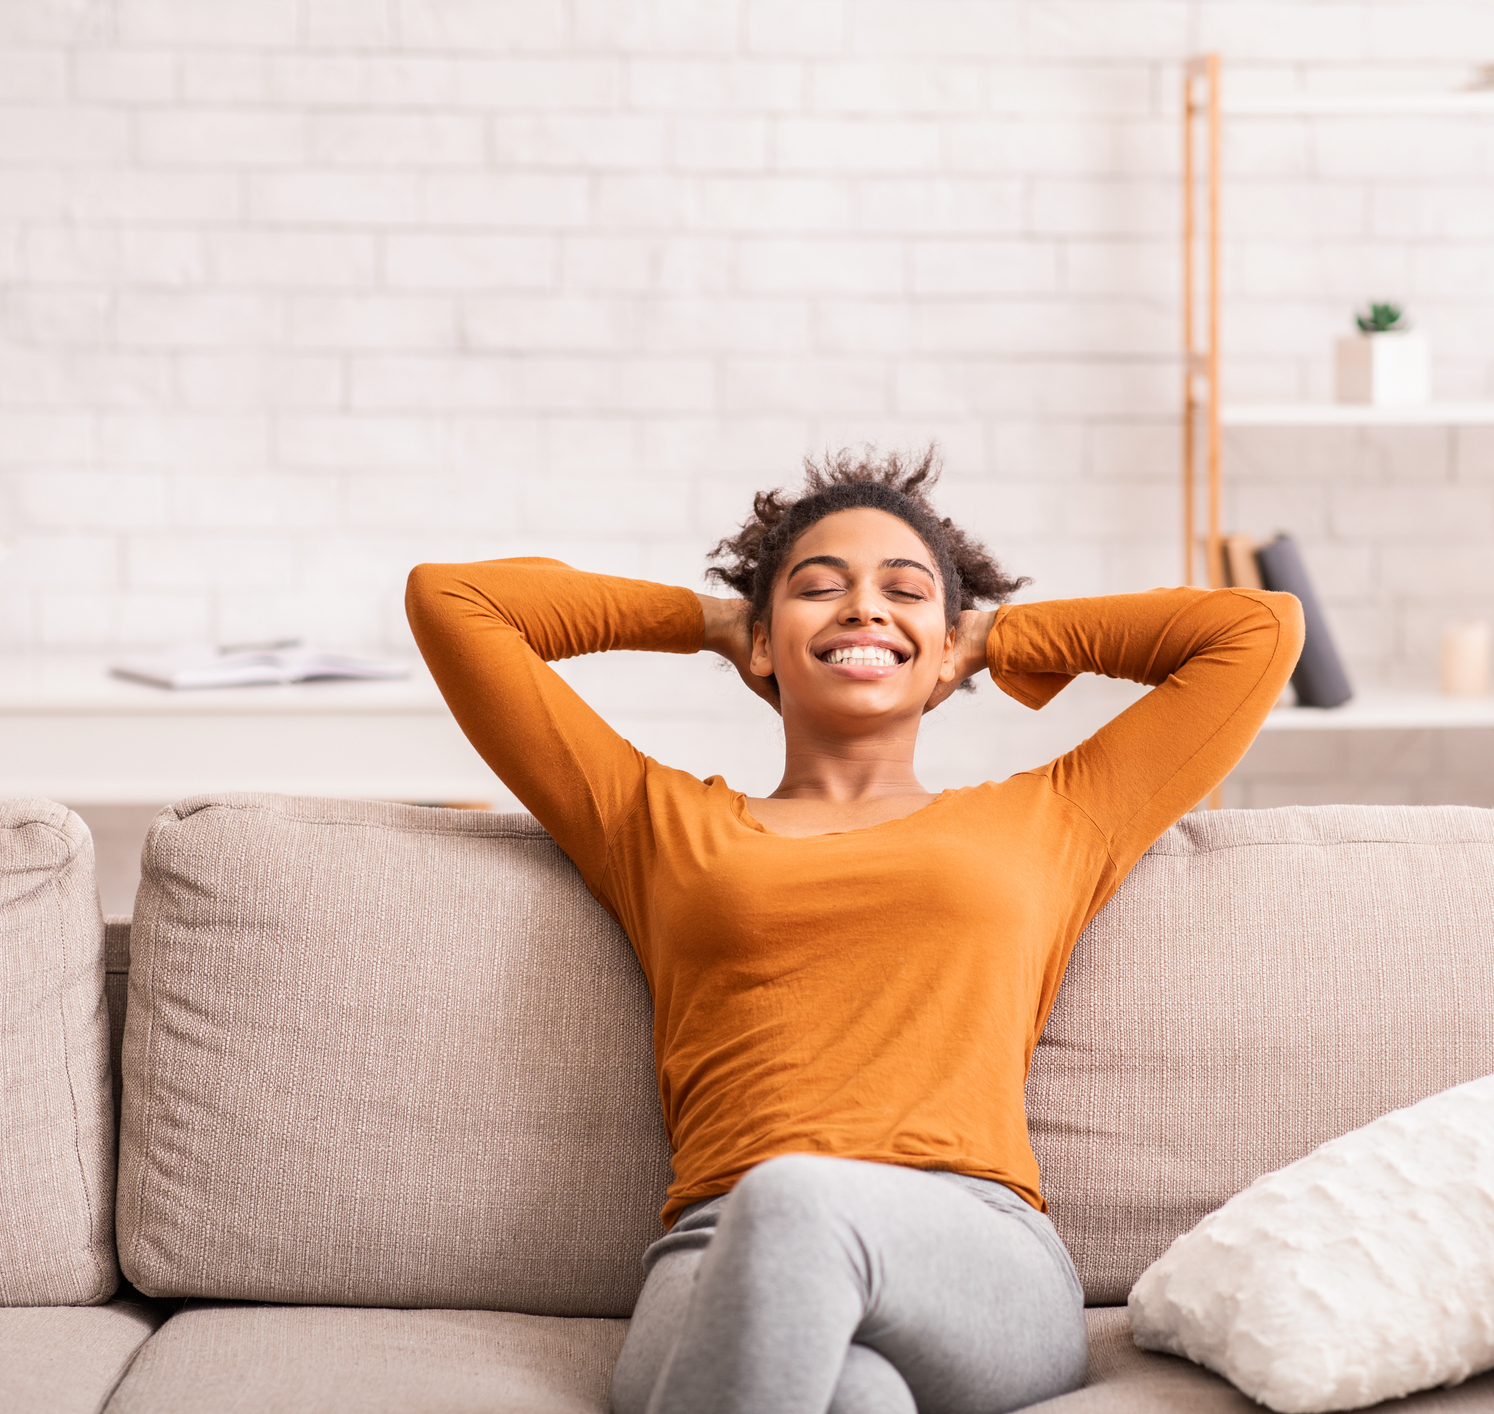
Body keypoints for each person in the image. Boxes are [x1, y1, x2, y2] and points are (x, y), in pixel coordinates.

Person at [405, 448, 1303, 1414]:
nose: (865, 608)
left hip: (970, 1247)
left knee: (798, 1201)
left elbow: (1254, 628)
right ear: (763, 643)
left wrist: (991, 635)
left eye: (904, 591)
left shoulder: (1054, 818)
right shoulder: (653, 824)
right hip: (717, 1250)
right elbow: (453, 601)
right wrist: (713, 621)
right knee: (856, 1395)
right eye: (818, 589)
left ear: (948, 644)